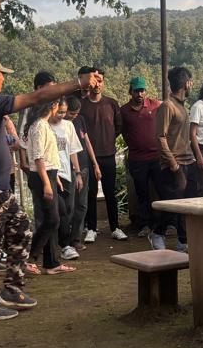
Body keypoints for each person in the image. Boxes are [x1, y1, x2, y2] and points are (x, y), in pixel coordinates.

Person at [0, 56, 100, 321]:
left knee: (21, 230)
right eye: (2, 75)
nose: (4, 79)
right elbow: (34, 98)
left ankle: (13, 288)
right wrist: (77, 83)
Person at [22, 99, 72, 274]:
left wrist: (54, 178)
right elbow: (38, 158)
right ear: (53, 106)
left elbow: (48, 156)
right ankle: (29, 257)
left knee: (54, 218)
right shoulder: (39, 127)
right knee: (52, 220)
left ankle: (51, 262)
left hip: (49, 174)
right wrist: (46, 183)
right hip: (41, 176)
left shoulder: (43, 125)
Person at [76, 67, 126, 243]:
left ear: (104, 83)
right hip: (88, 156)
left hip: (108, 154)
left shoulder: (111, 104)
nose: (98, 84)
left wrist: (108, 139)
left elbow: (119, 126)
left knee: (110, 192)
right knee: (89, 192)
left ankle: (115, 227)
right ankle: (91, 228)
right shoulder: (82, 105)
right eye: (95, 80)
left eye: (101, 81)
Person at [153, 66, 198, 251]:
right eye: (190, 81)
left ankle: (183, 241)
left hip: (187, 160)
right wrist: (172, 163)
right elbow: (160, 136)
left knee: (184, 202)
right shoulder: (167, 106)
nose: (192, 84)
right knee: (173, 202)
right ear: (186, 83)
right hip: (174, 163)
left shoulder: (182, 105)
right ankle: (157, 233)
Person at [118, 77, 162, 238]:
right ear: (131, 91)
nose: (140, 94)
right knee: (142, 193)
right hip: (137, 158)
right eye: (136, 90)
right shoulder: (124, 111)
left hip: (156, 156)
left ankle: (163, 224)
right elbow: (118, 129)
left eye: (142, 90)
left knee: (160, 189)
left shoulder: (155, 105)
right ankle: (145, 224)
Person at [47, 97, 85, 260]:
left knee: (67, 210)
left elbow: (72, 151)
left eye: (64, 112)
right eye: (60, 112)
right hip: (51, 174)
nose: (62, 115)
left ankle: (64, 245)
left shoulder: (68, 126)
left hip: (66, 173)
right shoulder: (44, 126)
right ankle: (59, 245)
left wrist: (77, 173)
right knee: (56, 211)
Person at [63, 95, 96, 252]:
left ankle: (76, 238)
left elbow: (87, 142)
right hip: (67, 169)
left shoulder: (80, 120)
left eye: (76, 113)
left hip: (83, 167)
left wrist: (95, 164)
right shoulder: (61, 125)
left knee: (81, 205)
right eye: (71, 113)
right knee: (68, 205)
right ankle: (65, 240)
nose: (74, 116)